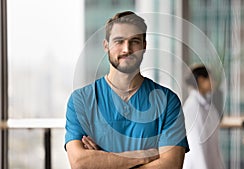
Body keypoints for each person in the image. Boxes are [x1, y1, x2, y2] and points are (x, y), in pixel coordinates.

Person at [64, 11, 189, 169]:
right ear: (106, 45)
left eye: (134, 41)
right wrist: (142, 157)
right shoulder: (81, 100)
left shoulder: (167, 101)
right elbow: (80, 162)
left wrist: (101, 160)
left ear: (144, 46)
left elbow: (171, 165)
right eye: (119, 41)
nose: (126, 49)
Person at [182, 65, 225, 169]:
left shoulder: (208, 106)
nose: (213, 82)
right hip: (197, 164)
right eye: (211, 78)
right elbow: (196, 145)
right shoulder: (192, 107)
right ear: (201, 80)